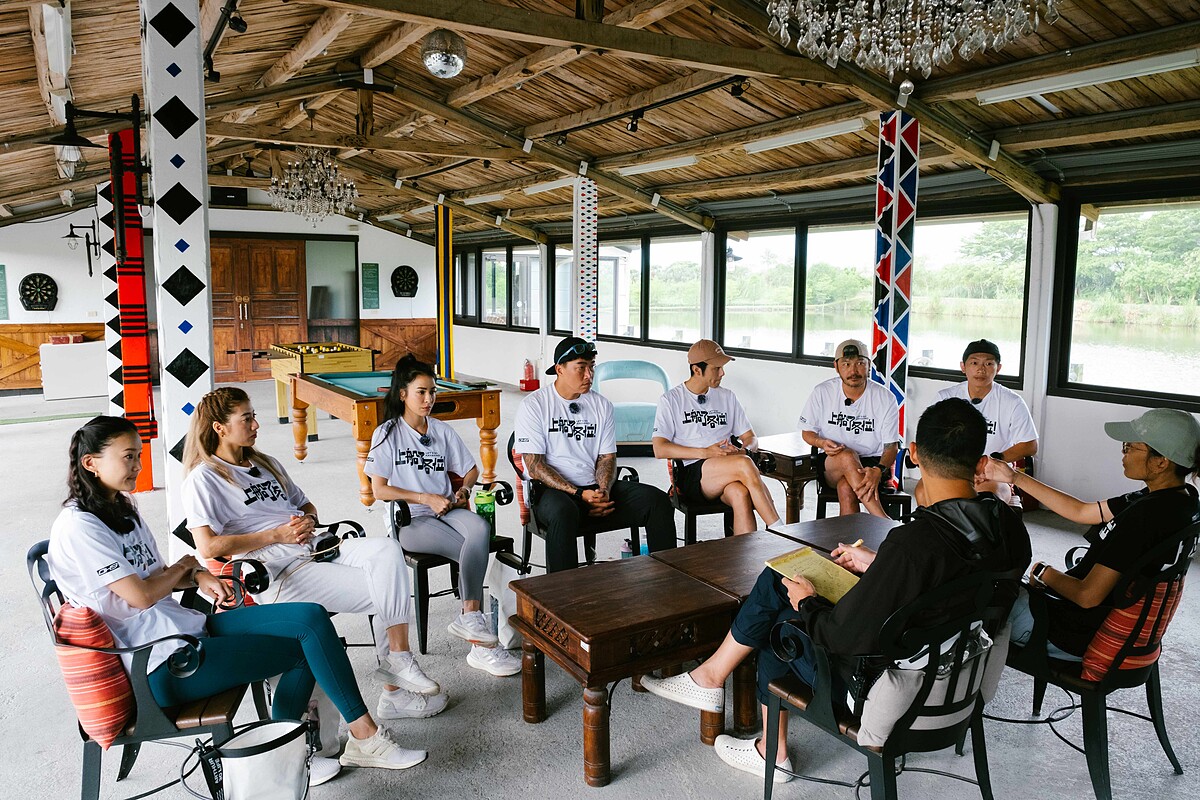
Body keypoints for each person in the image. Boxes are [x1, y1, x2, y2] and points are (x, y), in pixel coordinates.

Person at [642, 398, 1031, 781]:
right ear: (982, 462)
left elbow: (840, 635)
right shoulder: (1009, 527)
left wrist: (807, 603)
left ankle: (762, 742)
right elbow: (947, 579)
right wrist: (880, 565)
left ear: (912, 453)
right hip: (960, 680)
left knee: (784, 616)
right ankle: (715, 683)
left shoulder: (912, 546)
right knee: (786, 587)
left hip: (885, 691)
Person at [48, 416, 428, 785]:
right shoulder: (79, 525)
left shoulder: (123, 509)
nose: (138, 464)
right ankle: (345, 742)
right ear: (91, 463)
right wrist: (183, 566)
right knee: (303, 650)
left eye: (139, 455)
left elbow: (160, 573)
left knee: (311, 620)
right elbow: (143, 594)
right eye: (128, 456)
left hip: (182, 632)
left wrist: (197, 574)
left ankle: (308, 750)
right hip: (158, 664)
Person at [181, 387, 449, 723]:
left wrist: (308, 519)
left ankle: (398, 661)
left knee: (387, 551)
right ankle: (394, 694)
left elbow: (305, 505)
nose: (255, 424)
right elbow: (207, 546)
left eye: (254, 416)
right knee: (384, 589)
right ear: (220, 427)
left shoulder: (265, 463)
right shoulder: (204, 478)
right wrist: (275, 534)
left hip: (316, 547)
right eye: (246, 419)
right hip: (275, 568)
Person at [985, 408, 1200, 660]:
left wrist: (1045, 572)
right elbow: (1082, 511)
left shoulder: (1146, 517)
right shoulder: (1181, 500)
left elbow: (1087, 596)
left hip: (1068, 630)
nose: (1123, 453)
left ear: (1161, 461)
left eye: (1130, 447)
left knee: (976, 600)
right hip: (1084, 620)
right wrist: (1013, 477)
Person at [365, 355, 521, 678]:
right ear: (403, 394)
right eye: (421, 392)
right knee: (471, 547)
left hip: (446, 510)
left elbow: (471, 470)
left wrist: (463, 490)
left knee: (480, 529)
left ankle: (470, 619)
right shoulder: (387, 433)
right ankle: (480, 643)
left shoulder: (441, 430)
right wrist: (426, 498)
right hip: (410, 520)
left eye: (432, 392)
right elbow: (379, 489)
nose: (429, 399)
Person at [513, 336, 675, 572]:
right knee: (563, 512)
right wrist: (579, 494)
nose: (589, 375)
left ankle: (668, 579)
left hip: (594, 489)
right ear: (559, 369)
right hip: (552, 492)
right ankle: (563, 591)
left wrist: (603, 492)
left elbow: (607, 457)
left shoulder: (602, 405)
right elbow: (535, 465)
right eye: (581, 368)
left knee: (657, 501)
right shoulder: (534, 405)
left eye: (592, 367)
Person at [652, 339, 780, 534]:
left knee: (740, 493)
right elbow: (659, 449)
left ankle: (747, 553)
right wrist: (705, 452)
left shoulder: (727, 396)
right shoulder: (671, 400)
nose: (722, 373)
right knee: (745, 464)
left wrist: (744, 450)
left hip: (728, 465)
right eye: (716, 368)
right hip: (692, 473)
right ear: (697, 370)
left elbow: (751, 438)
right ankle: (781, 532)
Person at [799, 339, 901, 519]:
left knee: (846, 487)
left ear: (869, 365)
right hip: (832, 463)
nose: (853, 371)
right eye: (846, 364)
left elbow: (891, 446)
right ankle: (882, 519)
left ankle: (850, 538)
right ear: (836, 366)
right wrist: (821, 442)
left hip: (873, 464)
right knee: (847, 455)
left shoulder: (885, 398)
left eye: (860, 363)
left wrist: (878, 470)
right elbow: (807, 432)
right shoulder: (822, 392)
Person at [935, 339, 1038, 506]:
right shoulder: (945, 397)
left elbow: (1030, 445)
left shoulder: (1012, 401)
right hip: (953, 469)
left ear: (998, 368)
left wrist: (992, 462)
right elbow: (932, 438)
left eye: (989, 363)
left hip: (994, 474)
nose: (981, 369)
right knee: (923, 492)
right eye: (974, 362)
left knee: (985, 502)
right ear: (963, 367)